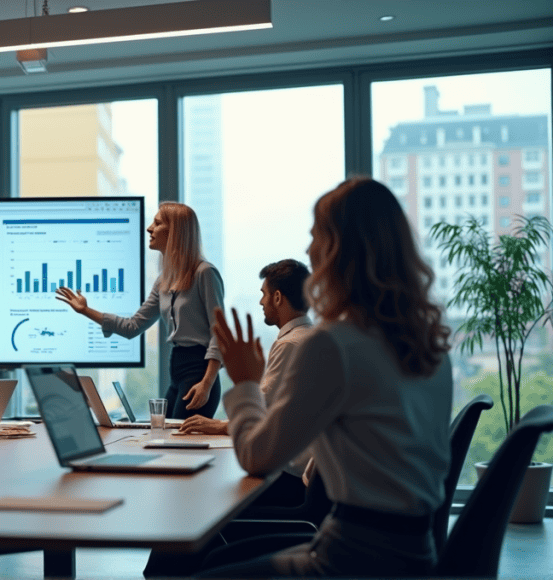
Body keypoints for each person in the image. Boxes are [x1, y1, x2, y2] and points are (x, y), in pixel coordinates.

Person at [200, 177, 453, 577]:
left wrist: (245, 381)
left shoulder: (333, 345)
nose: (308, 249)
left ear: (339, 249)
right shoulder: (429, 345)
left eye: (316, 235)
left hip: (348, 561)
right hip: (415, 556)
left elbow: (256, 458)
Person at [56, 201, 224, 420]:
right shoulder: (164, 280)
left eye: (157, 223)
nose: (149, 228)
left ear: (175, 232)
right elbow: (132, 326)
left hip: (200, 370)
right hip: (177, 367)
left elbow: (220, 334)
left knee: (183, 441)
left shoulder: (205, 273)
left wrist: (207, 384)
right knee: (167, 433)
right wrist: (85, 310)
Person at [180, 258, 313, 503]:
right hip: (301, 478)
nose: (261, 301)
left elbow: (260, 416)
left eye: (264, 294)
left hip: (289, 479)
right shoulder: (310, 337)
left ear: (277, 298)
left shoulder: (289, 343)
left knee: (205, 494)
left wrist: (219, 425)